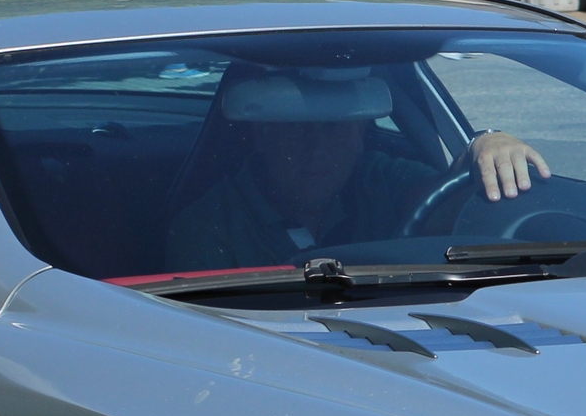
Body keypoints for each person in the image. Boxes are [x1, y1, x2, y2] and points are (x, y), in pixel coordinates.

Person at [164, 69, 552, 272]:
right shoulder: (207, 225)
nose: (316, 150)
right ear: (262, 135)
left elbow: (450, 202)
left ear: (361, 135)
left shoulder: (379, 178)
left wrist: (487, 146)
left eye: (334, 129)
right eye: (297, 130)